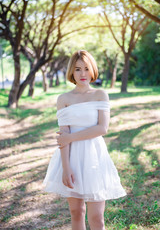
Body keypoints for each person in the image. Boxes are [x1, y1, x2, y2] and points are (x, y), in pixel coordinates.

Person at [43, 50, 126, 230]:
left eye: (87, 69)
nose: (83, 74)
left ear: (93, 70)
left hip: (94, 157)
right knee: (76, 213)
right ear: (71, 71)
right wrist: (66, 168)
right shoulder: (64, 99)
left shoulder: (100, 95)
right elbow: (62, 136)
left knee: (96, 217)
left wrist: (71, 137)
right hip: (71, 157)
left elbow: (102, 128)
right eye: (78, 69)